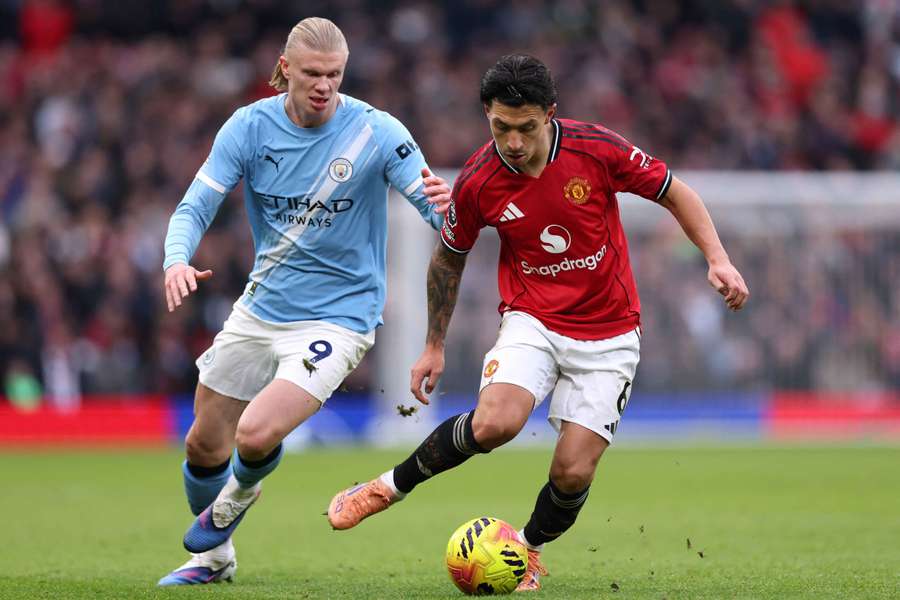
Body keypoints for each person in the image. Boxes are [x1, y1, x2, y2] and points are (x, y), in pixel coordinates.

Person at [326, 54, 749, 591]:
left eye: (526, 128)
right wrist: (434, 345)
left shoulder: (596, 149)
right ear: (487, 114)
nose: (514, 142)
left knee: (573, 471)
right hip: (533, 320)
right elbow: (448, 258)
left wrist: (717, 259)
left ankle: (525, 550)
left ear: (550, 113)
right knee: (494, 424)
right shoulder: (479, 180)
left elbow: (674, 191)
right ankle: (386, 488)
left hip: (611, 333)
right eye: (501, 127)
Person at [156, 17, 451, 586]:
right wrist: (175, 260)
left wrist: (448, 207)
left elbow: (438, 213)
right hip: (262, 306)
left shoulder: (377, 131)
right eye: (313, 73)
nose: (324, 85)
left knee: (255, 433)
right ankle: (216, 560)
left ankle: (233, 501)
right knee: (203, 443)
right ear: (285, 68)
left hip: (340, 317)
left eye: (335, 75)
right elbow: (194, 206)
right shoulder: (248, 128)